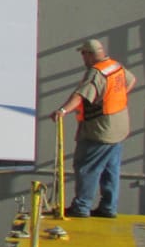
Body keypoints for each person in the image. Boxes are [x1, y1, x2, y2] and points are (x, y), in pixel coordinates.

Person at [47, 39, 137, 217]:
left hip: (100, 130)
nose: (83, 58)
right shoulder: (115, 66)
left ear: (88, 54)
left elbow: (80, 96)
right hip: (119, 128)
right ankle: (108, 208)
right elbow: (132, 81)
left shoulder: (96, 73)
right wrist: (114, 98)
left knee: (87, 167)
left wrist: (63, 110)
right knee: (111, 169)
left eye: (83, 54)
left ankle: (81, 207)